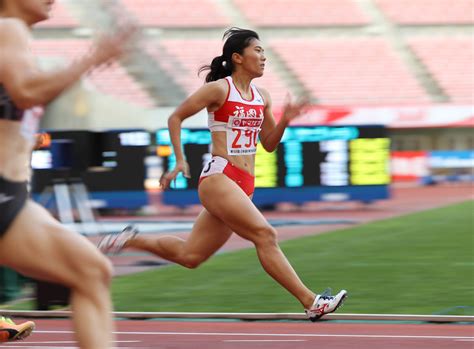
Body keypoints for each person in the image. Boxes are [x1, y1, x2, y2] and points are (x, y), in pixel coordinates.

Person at [99, 28, 347, 321]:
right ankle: (312, 301)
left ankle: (131, 239)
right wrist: (179, 161)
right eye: (258, 50)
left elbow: (268, 144)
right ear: (238, 57)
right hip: (220, 178)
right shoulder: (220, 89)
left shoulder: (262, 97)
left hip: (244, 185)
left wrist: (285, 121)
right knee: (265, 234)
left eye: (264, 52)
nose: (264, 57)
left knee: (190, 256)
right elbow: (175, 116)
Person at [0, 0, 136, 347]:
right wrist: (90, 59)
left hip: (11, 194)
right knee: (90, 272)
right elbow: (26, 92)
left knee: (92, 271)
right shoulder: (8, 28)